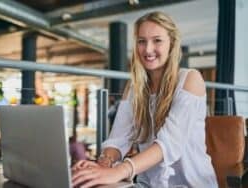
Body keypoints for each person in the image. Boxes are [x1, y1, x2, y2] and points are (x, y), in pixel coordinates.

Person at [71, 11, 218, 188]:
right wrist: (104, 163)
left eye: (157, 40)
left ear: (171, 44)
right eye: (142, 41)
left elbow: (168, 145)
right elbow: (118, 139)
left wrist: (119, 171)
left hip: (191, 184)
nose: (148, 49)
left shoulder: (190, 80)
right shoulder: (134, 88)